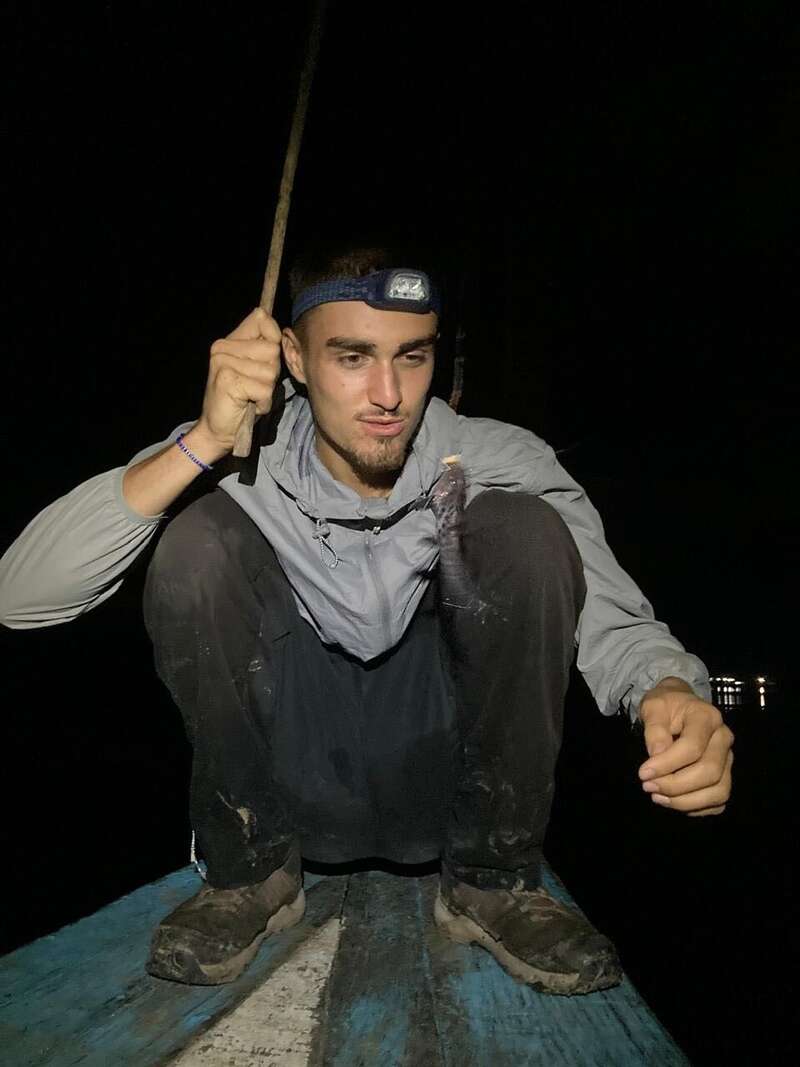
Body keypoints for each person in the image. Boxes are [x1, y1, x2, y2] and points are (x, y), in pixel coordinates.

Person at [0, 244, 734, 994]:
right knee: (195, 543)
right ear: (293, 357)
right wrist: (204, 442)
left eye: (412, 357)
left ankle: (493, 879)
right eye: (352, 357)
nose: (389, 394)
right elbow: (18, 597)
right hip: (290, 779)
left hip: (446, 779)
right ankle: (248, 873)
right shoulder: (241, 455)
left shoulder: (498, 456)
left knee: (527, 531)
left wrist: (669, 690)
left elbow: (614, 610)